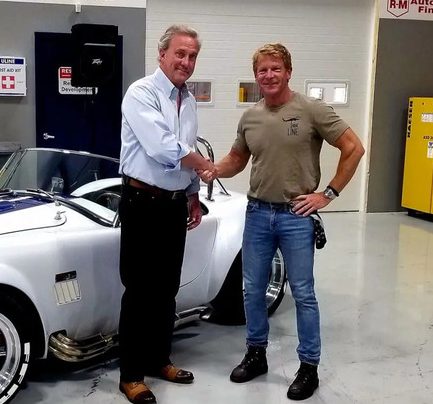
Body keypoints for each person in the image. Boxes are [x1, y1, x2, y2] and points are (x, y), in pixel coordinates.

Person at [201, 43, 364, 400]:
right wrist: (211, 170)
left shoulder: (311, 110)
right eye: (262, 70)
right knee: (252, 290)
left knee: (304, 294)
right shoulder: (251, 117)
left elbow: (354, 147)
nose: (269, 76)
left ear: (288, 71)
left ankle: (308, 368)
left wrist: (328, 194)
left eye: (276, 68)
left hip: (296, 215)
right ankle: (256, 354)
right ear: (256, 75)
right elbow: (236, 159)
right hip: (258, 213)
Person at [117, 24, 216, 404]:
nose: (186, 62)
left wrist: (193, 194)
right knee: (139, 290)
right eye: (180, 54)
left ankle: (160, 360)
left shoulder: (189, 100)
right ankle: (131, 375)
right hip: (143, 203)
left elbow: (185, 148)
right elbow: (162, 147)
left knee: (166, 289)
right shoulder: (141, 93)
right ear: (162, 55)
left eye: (192, 56)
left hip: (174, 204)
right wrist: (205, 164)